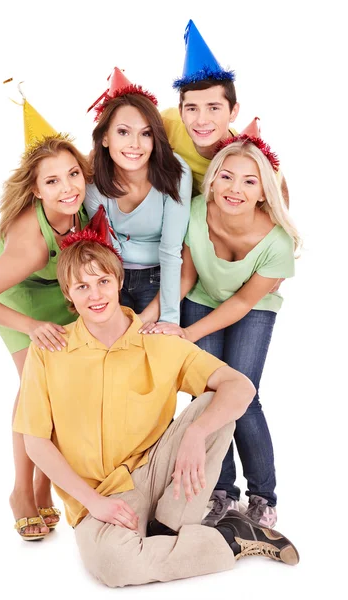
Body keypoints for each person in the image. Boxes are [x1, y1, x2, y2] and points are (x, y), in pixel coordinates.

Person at [13, 220, 299, 586]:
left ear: (119, 282)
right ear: (69, 294)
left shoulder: (159, 342)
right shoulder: (49, 351)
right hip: (99, 495)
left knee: (216, 401)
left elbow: (240, 386)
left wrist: (196, 434)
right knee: (114, 565)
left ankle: (165, 527)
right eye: (82, 286)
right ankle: (229, 539)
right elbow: (35, 441)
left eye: (103, 281)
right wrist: (95, 503)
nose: (95, 295)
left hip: (160, 475)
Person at [141, 135, 301, 528]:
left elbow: (243, 303)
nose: (235, 189)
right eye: (227, 177)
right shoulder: (196, 212)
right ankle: (221, 492)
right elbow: (185, 275)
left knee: (244, 396)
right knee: (208, 395)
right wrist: (152, 319)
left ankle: (263, 496)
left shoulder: (277, 242)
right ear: (211, 181)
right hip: (201, 296)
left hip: (252, 307)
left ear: (264, 191)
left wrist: (189, 335)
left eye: (249, 181)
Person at [0, 110, 90, 540]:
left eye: (73, 174)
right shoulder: (30, 246)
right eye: (52, 182)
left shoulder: (85, 204)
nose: (67, 187)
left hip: (62, 285)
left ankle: (43, 482)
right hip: (15, 292)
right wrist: (31, 326)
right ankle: (22, 491)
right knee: (36, 384)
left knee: (69, 387)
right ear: (36, 189)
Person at [84, 67, 192, 325]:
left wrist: (167, 321)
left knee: (159, 350)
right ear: (106, 138)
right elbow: (108, 249)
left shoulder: (176, 173)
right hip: (112, 276)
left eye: (146, 134)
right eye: (123, 132)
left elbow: (170, 251)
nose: (135, 144)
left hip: (162, 276)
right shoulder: (92, 181)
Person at [162, 19, 289, 206]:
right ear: (181, 111)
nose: (202, 120)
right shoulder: (166, 123)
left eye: (213, 108)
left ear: (233, 112)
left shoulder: (248, 158)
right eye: (192, 108)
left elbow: (280, 194)